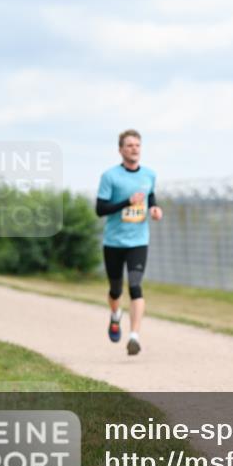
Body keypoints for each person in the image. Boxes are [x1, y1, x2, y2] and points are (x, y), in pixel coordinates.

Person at [96, 129, 162, 355]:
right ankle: (115, 316)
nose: (134, 149)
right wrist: (127, 201)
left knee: (135, 286)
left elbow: (150, 196)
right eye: (130, 145)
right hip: (114, 242)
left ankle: (134, 336)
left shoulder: (149, 175)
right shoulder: (110, 176)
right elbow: (100, 209)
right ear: (121, 150)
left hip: (138, 241)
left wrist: (154, 209)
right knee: (115, 290)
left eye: (137, 145)